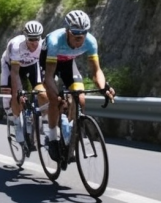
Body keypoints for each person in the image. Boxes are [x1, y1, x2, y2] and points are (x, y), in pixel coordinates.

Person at [42, 10, 115, 162]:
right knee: (55, 100)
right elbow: (49, 77)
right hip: (48, 62)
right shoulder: (55, 41)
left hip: (68, 63)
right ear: (67, 31)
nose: (79, 39)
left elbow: (96, 71)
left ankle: (71, 133)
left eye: (82, 35)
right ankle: (53, 138)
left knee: (80, 98)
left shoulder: (91, 41)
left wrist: (104, 88)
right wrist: (57, 94)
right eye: (75, 35)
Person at [0, 20, 48, 149]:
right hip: (12, 66)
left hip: (32, 65)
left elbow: (45, 69)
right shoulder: (16, 45)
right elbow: (15, 73)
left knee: (43, 93)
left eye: (36, 39)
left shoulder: (42, 45)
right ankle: (16, 123)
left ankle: (46, 127)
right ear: (25, 37)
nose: (34, 43)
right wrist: (19, 93)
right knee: (14, 96)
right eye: (31, 40)